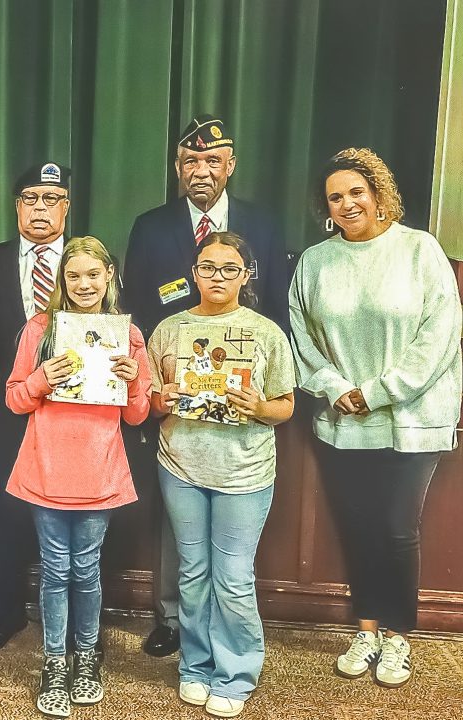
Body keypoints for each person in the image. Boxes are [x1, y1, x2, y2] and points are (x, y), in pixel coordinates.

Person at [289, 148, 462, 689]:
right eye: (335, 197)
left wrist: (381, 392)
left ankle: (398, 637)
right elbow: (302, 340)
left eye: (356, 192)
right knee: (360, 528)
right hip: (344, 419)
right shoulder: (315, 262)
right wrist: (337, 388)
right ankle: (366, 629)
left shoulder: (419, 250)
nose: (346, 204)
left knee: (396, 528)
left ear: (378, 193)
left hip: (412, 418)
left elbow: (440, 336)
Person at [122, 115, 289, 658]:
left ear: (230, 165)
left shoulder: (262, 223)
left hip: (242, 406)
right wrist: (151, 391)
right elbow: (139, 313)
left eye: (212, 160)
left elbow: (278, 310)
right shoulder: (150, 225)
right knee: (181, 529)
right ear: (177, 167)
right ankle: (172, 619)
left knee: (227, 549)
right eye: (190, 161)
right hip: (175, 400)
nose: (201, 169)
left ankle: (228, 640)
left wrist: (262, 393)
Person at [148, 232, 295, 718]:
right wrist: (159, 400)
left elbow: (285, 406)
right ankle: (196, 664)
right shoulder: (169, 328)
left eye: (229, 268)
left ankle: (235, 673)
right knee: (191, 573)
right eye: (208, 267)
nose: (217, 276)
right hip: (181, 466)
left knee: (232, 576)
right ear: (194, 273)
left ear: (246, 275)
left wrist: (259, 406)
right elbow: (149, 400)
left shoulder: (266, 332)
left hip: (244, 472)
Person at [4, 236, 151, 718]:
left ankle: (86, 657)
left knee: (85, 569)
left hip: (99, 469)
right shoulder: (39, 330)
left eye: (93, 274)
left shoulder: (128, 336)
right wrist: (43, 378)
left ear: (109, 275)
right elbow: (14, 399)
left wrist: (132, 381)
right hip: (46, 468)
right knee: (54, 569)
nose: (84, 284)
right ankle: (54, 661)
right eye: (74, 276)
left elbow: (137, 416)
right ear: (61, 281)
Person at [0, 162, 71, 653]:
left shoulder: (89, 262)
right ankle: (5, 612)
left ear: (67, 206)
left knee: (67, 517)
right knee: (1, 512)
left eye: (51, 199)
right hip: (2, 412)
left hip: (72, 415)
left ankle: (67, 620)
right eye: (31, 198)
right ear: (16, 206)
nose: (40, 208)